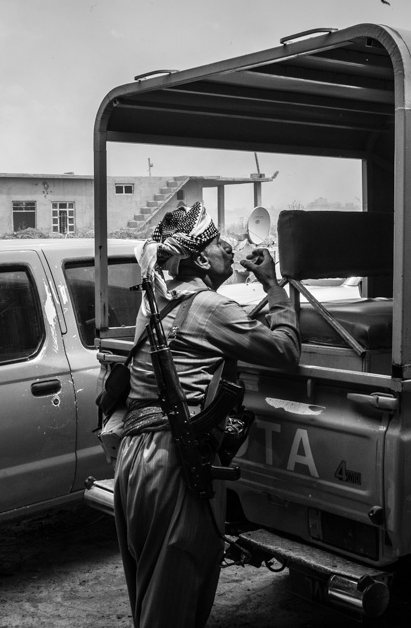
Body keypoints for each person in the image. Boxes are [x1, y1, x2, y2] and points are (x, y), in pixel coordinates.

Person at [113, 201, 301, 628]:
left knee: (153, 593)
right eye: (218, 243)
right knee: (179, 596)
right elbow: (286, 350)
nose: (229, 246)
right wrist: (273, 285)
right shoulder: (211, 308)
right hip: (175, 463)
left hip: (135, 457)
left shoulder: (157, 301)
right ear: (199, 259)